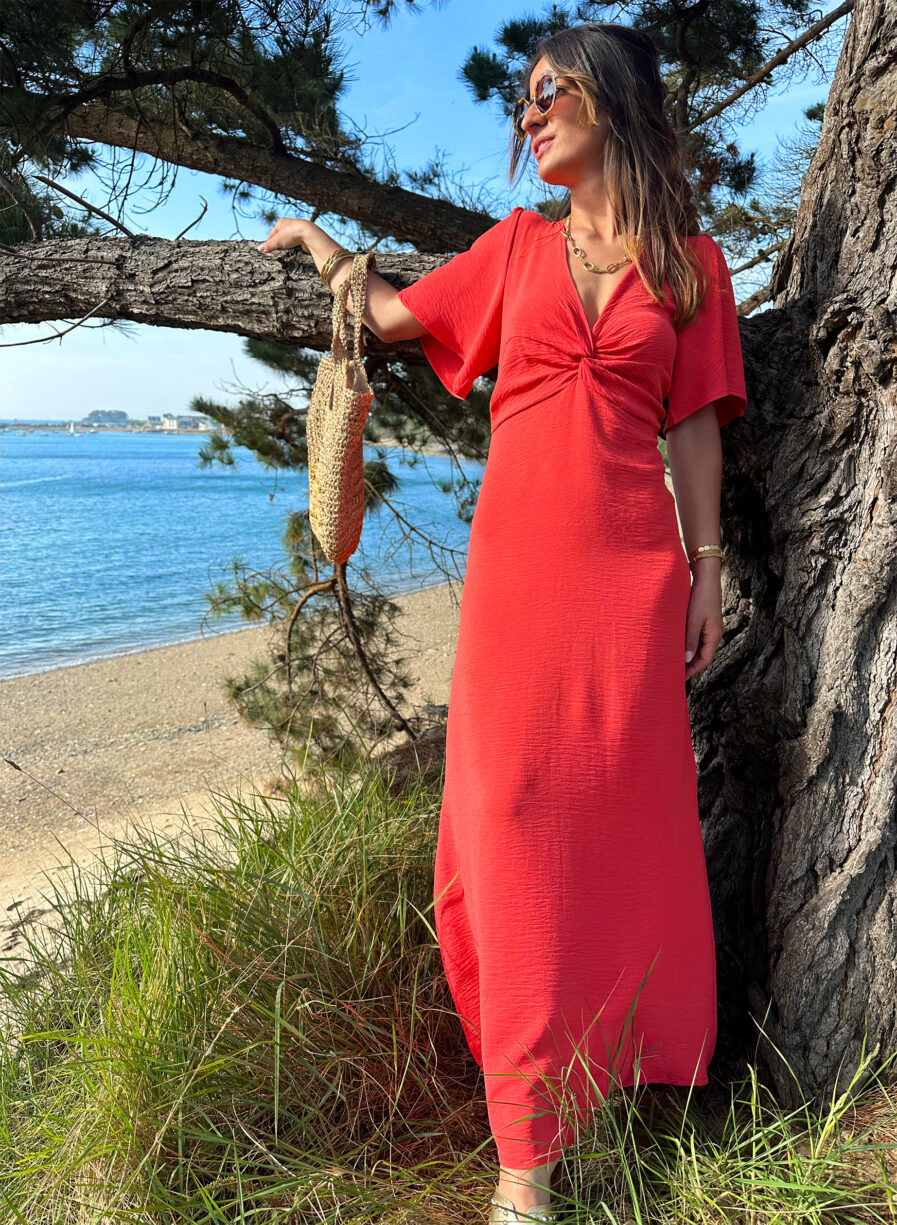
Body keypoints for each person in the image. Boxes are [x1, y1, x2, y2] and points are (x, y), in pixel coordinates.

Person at [258, 20, 747, 1224]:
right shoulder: (515, 250)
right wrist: (327, 250)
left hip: (630, 590)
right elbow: (389, 320)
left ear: (612, 101)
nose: (528, 115)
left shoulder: (693, 267)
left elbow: (691, 428)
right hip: (520, 594)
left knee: (619, 839)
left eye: (548, 93)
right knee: (511, 829)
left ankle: (616, 1094)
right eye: (521, 100)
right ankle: (523, 1161)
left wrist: (709, 566)